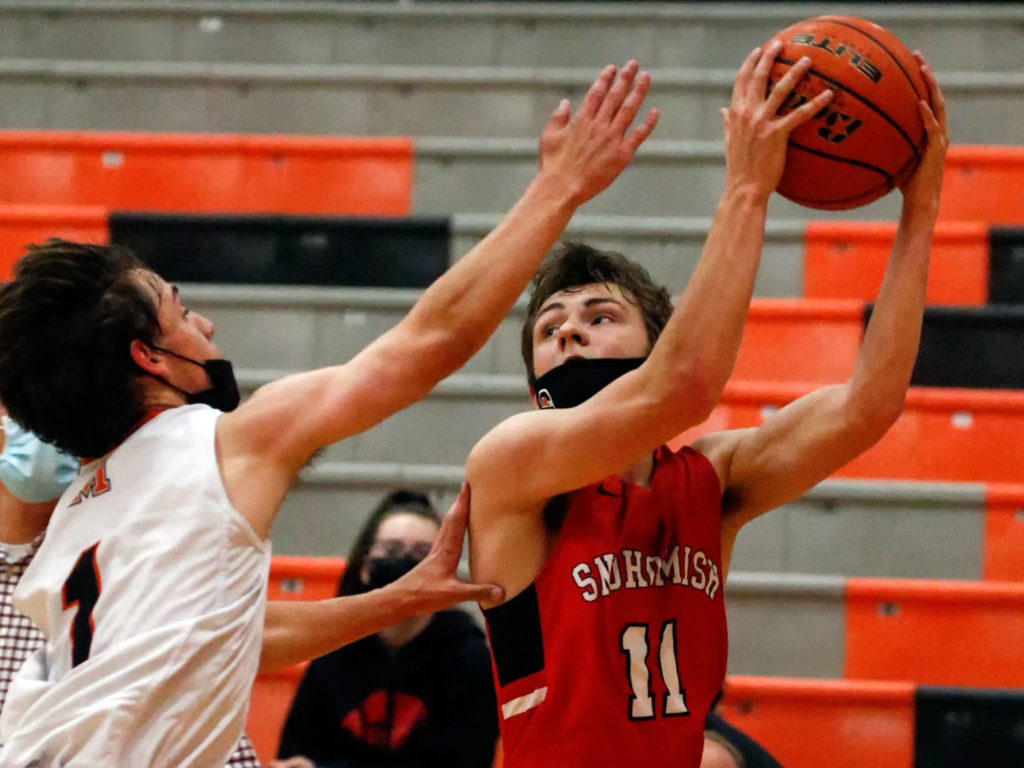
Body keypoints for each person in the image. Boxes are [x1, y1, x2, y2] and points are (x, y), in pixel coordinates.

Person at [0, 60, 659, 768]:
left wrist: (396, 602)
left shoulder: (75, 519)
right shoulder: (224, 442)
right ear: (150, 359)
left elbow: (232, 637)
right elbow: (433, 341)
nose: (208, 326)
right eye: (182, 311)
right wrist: (560, 188)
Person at [465, 45, 947, 768]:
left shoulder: (708, 482)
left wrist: (921, 208)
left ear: (656, 343)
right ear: (535, 383)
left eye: (600, 315)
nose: (569, 328)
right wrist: (749, 188)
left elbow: (868, 406)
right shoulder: (512, 469)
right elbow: (686, 385)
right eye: (549, 327)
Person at [274, 490, 498, 768]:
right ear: (365, 566)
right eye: (391, 550)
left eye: (421, 554)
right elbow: (293, 755)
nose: (404, 563)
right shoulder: (333, 647)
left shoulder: (470, 660)